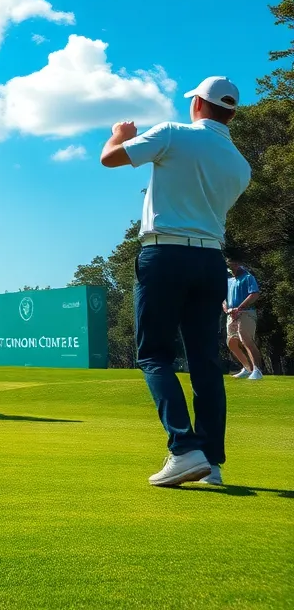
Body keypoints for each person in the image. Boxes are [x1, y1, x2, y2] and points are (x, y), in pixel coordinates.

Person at [100, 76, 251, 487]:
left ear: (198, 104)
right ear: (231, 111)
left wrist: (119, 134)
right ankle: (211, 463)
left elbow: (109, 158)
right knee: (205, 362)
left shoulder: (172, 134)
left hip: (165, 254)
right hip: (210, 261)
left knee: (154, 356)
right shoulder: (241, 165)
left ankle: (184, 449)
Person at [224, 258, 263, 380]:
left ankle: (257, 371)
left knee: (246, 340)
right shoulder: (228, 280)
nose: (233, 267)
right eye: (231, 264)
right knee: (231, 342)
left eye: (235, 264)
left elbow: (254, 294)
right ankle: (247, 368)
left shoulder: (248, 277)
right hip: (231, 315)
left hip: (246, 313)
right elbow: (223, 298)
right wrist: (227, 310)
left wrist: (239, 308)